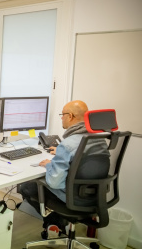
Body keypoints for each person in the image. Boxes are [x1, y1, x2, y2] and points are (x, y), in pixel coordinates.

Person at [19, 100, 110, 235]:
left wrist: (49, 165)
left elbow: (55, 182)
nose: (61, 117)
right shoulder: (99, 139)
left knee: (27, 187)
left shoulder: (68, 145)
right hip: (95, 195)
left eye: (62, 114)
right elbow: (84, 161)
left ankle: (55, 222)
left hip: (73, 197)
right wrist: (61, 152)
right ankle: (57, 223)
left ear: (70, 116)